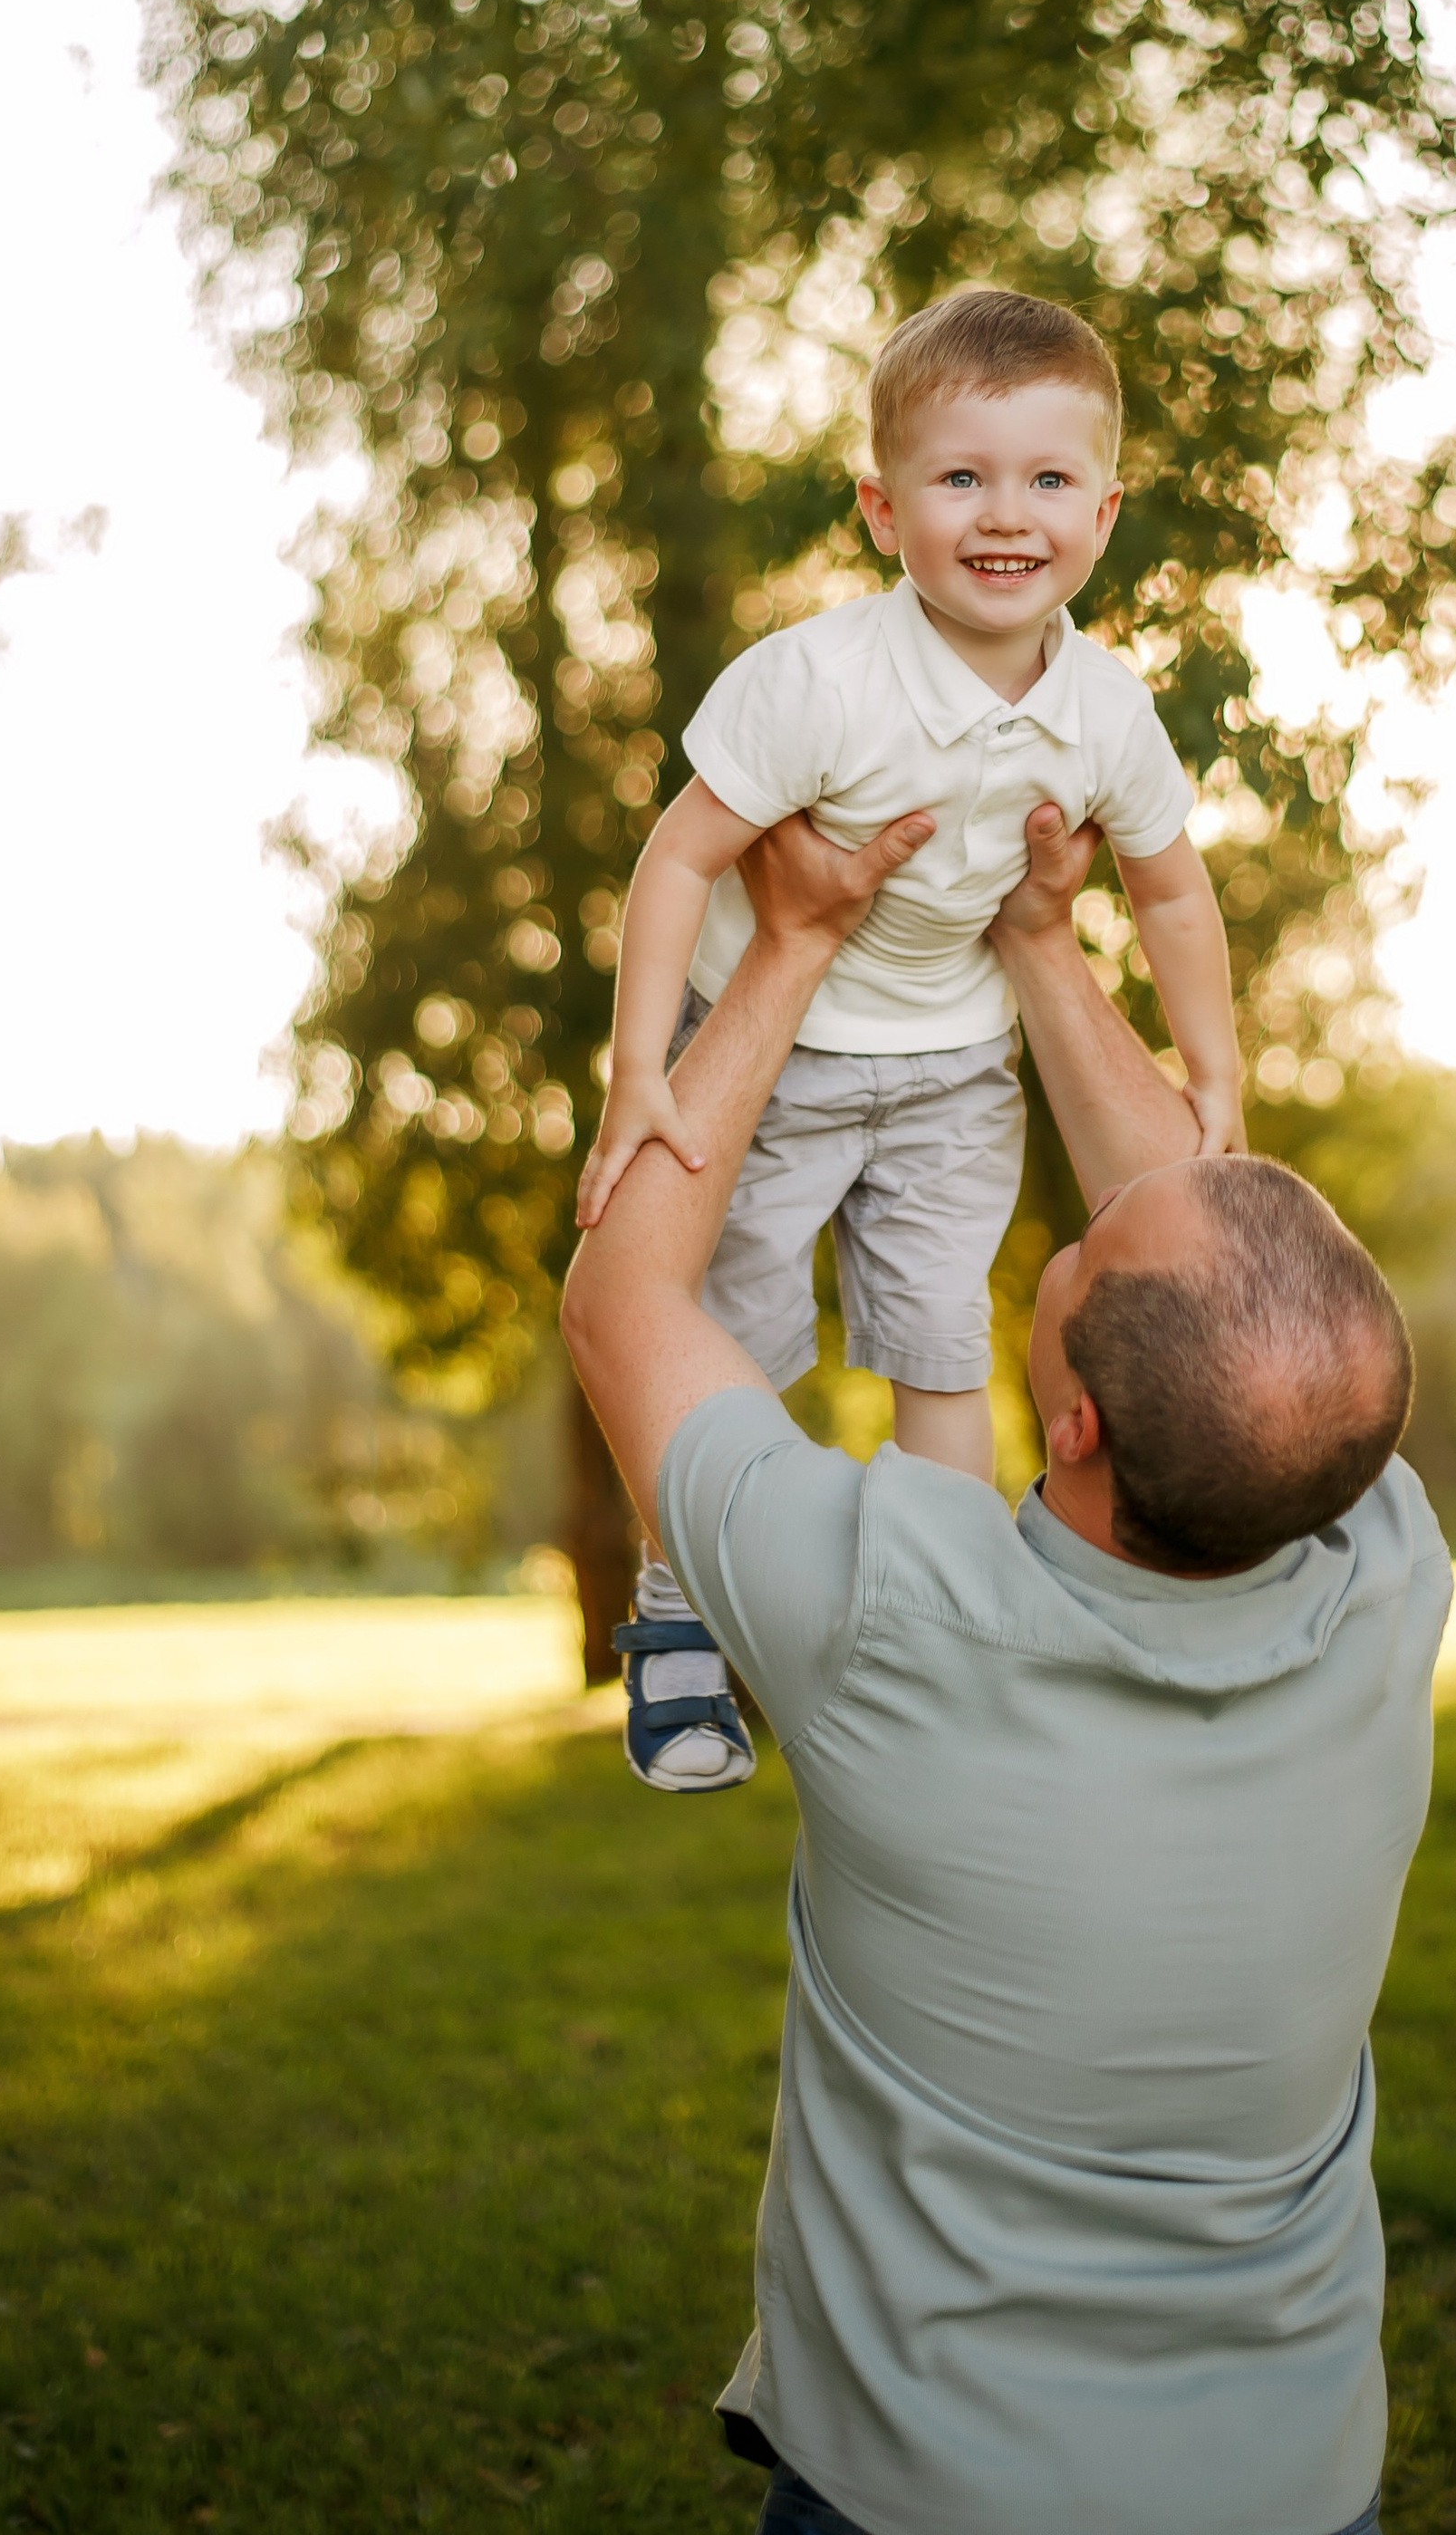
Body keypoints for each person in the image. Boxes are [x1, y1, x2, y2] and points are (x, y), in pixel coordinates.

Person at [561, 794, 1452, 2535]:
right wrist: (1039, 938)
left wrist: (793, 941)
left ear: (1076, 1422)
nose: (1104, 1212)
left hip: (924, 2500)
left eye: (1088, 1250)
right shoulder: (1379, 1569)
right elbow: (1220, 1274)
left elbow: (624, 1303)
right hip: (1288, 2493)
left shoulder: (896, 1615)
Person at [574, 286, 1244, 1793]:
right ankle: (681, 1629)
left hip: (952, 1066)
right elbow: (677, 862)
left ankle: (956, 1634)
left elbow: (1173, 888)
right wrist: (639, 1073)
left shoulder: (1105, 708)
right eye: (961, 479)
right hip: (782, 1055)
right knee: (732, 1334)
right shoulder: (818, 682)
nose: (1006, 515)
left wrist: (1215, 1065)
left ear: (1105, 509)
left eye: (1048, 480)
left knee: (944, 1338)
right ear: (884, 509)